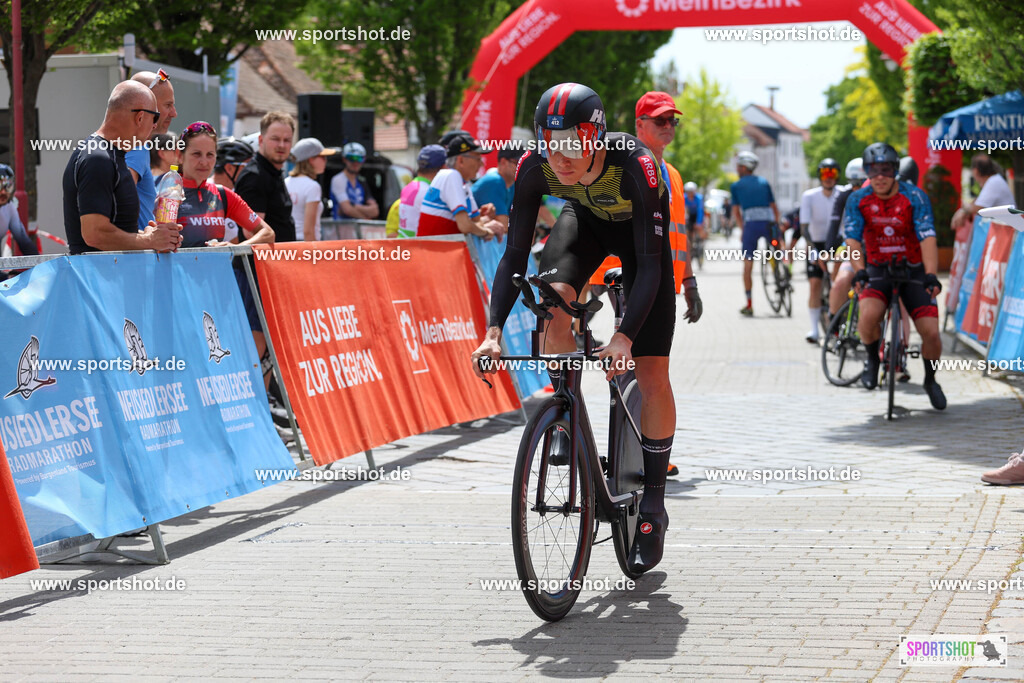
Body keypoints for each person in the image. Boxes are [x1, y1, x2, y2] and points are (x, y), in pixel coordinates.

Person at [472, 83, 677, 573]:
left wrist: (624, 337)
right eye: (550, 143)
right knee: (552, 303)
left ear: (596, 137)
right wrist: (493, 332)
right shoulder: (533, 165)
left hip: (639, 243)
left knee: (650, 372)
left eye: (572, 145)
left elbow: (649, 266)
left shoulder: (637, 163)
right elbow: (514, 255)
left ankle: (652, 501)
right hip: (582, 223)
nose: (559, 158)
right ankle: (565, 408)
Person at [844, 142, 946, 409]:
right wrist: (859, 271)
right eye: (873, 171)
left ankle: (931, 380)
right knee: (867, 317)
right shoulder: (858, 199)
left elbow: (928, 237)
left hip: (913, 269)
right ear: (866, 171)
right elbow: (853, 241)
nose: (879, 177)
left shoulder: (915, 197)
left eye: (886, 170)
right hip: (877, 268)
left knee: (932, 334)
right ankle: (873, 360)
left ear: (895, 171)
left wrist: (932, 274)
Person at [62, 80, 180, 254]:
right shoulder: (98, 158)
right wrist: (149, 240)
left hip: (109, 274)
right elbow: (94, 234)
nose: (155, 125)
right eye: (154, 117)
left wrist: (154, 237)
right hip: (99, 276)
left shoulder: (108, 155)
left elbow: (117, 228)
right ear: (140, 117)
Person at [174, 121, 275, 249]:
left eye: (210, 154)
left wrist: (235, 248)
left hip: (218, 269)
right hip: (177, 268)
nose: (204, 162)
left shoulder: (223, 194)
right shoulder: (169, 192)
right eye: (196, 154)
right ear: (179, 156)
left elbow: (268, 233)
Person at [417, 134, 503, 239]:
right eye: (477, 159)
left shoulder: (463, 183)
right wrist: (486, 232)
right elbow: (465, 226)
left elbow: (476, 222)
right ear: (460, 160)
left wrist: (486, 221)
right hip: (433, 251)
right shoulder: (451, 175)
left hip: (439, 250)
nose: (481, 164)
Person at [234, 111, 297, 242]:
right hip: (261, 261)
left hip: (278, 260)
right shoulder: (255, 176)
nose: (281, 145)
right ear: (261, 140)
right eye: (275, 139)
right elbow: (252, 233)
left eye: (287, 140)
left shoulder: (273, 172)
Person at [127, 69, 177, 230]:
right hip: (135, 253)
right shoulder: (137, 146)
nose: (174, 113)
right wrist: (147, 238)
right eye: (168, 105)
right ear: (147, 105)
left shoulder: (135, 144)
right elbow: (120, 203)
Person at [731, 151, 780, 316]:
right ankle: (781, 274)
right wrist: (777, 224)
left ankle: (749, 303)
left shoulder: (736, 186)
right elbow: (774, 207)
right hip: (768, 223)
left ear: (744, 167)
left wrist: (742, 229)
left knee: (748, 265)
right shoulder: (764, 182)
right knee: (776, 250)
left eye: (738, 166)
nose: (737, 169)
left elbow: (736, 212)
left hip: (751, 225)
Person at [800, 158, 840, 343]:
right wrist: (812, 250)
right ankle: (814, 329)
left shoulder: (843, 194)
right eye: (825, 173)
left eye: (833, 173)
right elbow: (804, 228)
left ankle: (837, 322)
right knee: (815, 284)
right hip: (815, 243)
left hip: (837, 243)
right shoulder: (809, 196)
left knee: (839, 281)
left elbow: (847, 226)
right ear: (819, 175)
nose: (829, 178)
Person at [825, 158, 866, 316]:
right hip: (847, 242)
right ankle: (834, 311)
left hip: (868, 245)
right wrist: (828, 249)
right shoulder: (844, 195)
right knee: (838, 260)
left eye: (860, 184)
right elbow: (834, 222)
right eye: (853, 184)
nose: (856, 188)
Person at [391, 144, 446, 238]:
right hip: (418, 247)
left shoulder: (409, 187)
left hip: (406, 247)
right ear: (443, 167)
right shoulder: (429, 192)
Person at [286, 137, 335, 242]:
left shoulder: (285, 182)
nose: (325, 161)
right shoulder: (312, 186)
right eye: (322, 157)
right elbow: (308, 231)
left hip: (287, 245)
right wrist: (313, 255)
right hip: (305, 245)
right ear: (311, 159)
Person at [472, 144, 525, 230]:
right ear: (503, 162)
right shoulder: (494, 181)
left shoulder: (511, 185)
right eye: (518, 163)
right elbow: (503, 225)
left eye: (524, 164)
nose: (522, 168)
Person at [330, 142, 379, 220]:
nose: (355, 162)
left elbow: (375, 211)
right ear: (344, 159)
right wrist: (365, 218)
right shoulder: (338, 180)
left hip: (357, 230)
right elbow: (347, 209)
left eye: (359, 158)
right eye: (351, 158)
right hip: (341, 230)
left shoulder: (362, 181)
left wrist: (356, 207)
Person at [0, 164, 38, 260]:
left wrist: (40, 266)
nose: (3, 192)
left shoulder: (9, 208)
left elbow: (25, 243)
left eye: (8, 186)